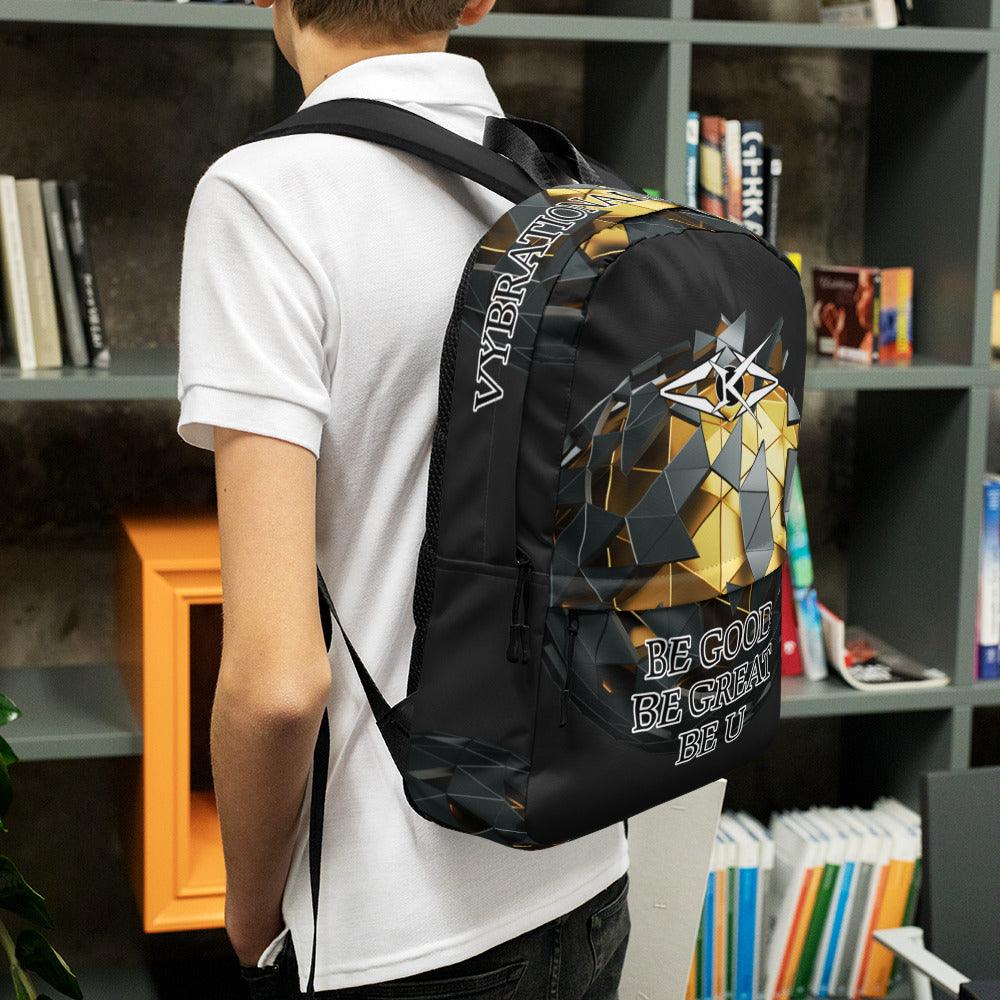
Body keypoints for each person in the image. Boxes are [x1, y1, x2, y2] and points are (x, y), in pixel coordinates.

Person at [177, 0, 629, 995]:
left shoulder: (266, 197)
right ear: (478, 0)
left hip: (399, 927)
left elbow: (276, 684)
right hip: (588, 871)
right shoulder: (573, 193)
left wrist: (250, 915)